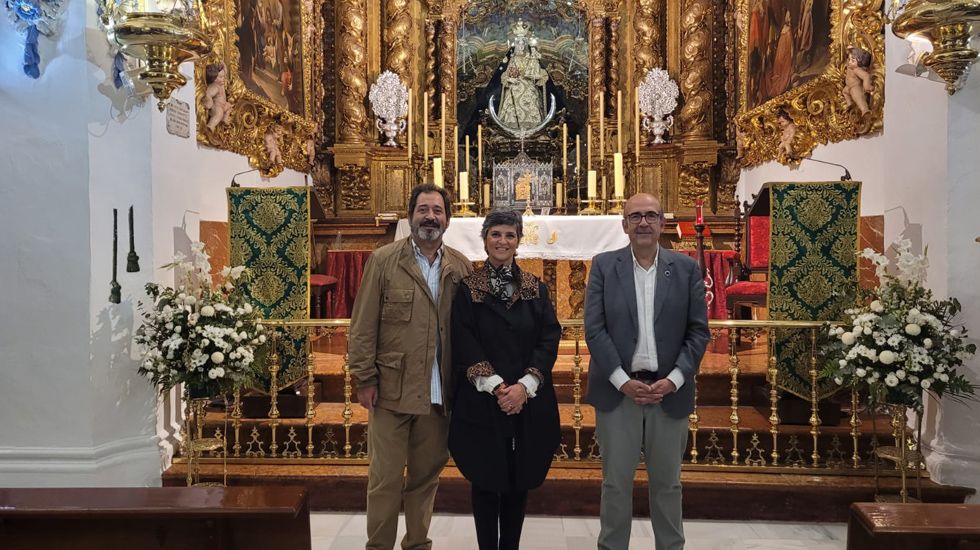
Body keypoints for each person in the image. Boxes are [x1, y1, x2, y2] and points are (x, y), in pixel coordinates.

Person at [348, 183, 473, 550]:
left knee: (425, 478)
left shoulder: (460, 267)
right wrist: (364, 377)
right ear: (410, 215)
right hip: (391, 390)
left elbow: (468, 332)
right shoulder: (385, 260)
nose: (430, 216)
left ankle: (418, 544)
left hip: (439, 394)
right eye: (423, 209)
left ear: (448, 219)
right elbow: (363, 324)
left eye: (437, 210)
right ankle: (379, 546)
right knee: (384, 479)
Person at [585, 193, 709, 550]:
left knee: (668, 484)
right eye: (635, 216)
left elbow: (698, 331)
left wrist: (675, 379)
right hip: (618, 393)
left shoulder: (685, 269)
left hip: (668, 392)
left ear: (662, 224)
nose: (643, 222)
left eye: (650, 216)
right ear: (624, 225)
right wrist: (622, 382)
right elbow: (595, 329)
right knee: (615, 484)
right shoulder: (605, 266)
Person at [449, 210, 561, 550]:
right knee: (486, 480)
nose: (502, 241)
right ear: (484, 239)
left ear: (518, 241)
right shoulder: (468, 290)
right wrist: (497, 385)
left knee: (518, 480)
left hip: (527, 401)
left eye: (510, 235)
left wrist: (525, 386)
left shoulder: (535, 288)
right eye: (496, 234)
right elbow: (464, 339)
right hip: (483, 401)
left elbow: (548, 338)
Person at [843, 46, 873, 115]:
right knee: (844, 92)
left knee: (858, 98)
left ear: (860, 62)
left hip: (855, 87)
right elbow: (848, 55)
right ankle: (850, 104)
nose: (850, 62)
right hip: (848, 86)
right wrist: (850, 49)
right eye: (849, 59)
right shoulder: (850, 66)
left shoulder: (856, 70)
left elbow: (866, 76)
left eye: (853, 60)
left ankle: (865, 110)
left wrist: (866, 86)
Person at [203, 63, 233, 131]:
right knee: (219, 113)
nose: (223, 78)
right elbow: (208, 94)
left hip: (223, 105)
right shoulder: (215, 86)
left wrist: (223, 65)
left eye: (223, 77)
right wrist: (209, 102)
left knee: (229, 105)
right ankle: (211, 125)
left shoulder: (221, 84)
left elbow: (225, 72)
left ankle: (225, 118)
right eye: (220, 77)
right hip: (216, 106)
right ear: (213, 78)